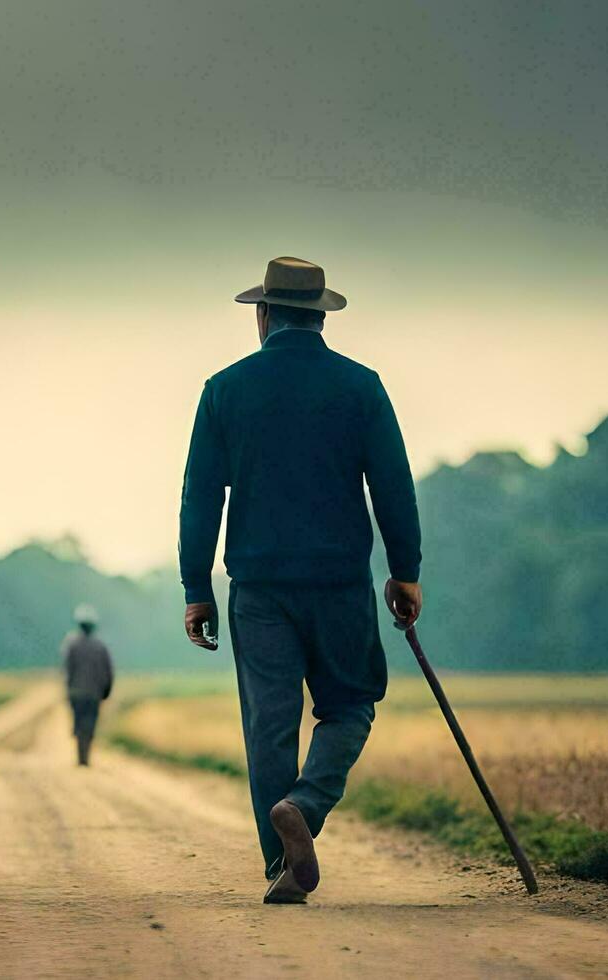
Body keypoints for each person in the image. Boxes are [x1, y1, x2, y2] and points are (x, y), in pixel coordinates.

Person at [178, 256, 423, 904]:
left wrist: (195, 587)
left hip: (258, 588)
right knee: (350, 706)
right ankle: (306, 807)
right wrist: (406, 572)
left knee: (270, 724)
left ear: (262, 315)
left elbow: (200, 496)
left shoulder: (224, 389)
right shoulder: (361, 387)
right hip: (340, 582)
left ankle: (279, 863)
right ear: (320, 316)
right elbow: (393, 486)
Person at [61, 603, 113, 766]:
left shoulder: (71, 645)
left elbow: (68, 670)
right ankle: (85, 756)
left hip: (76, 693)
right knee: (90, 724)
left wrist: (68, 689)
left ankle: (80, 754)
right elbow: (108, 672)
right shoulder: (100, 647)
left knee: (79, 722)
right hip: (94, 694)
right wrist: (106, 691)